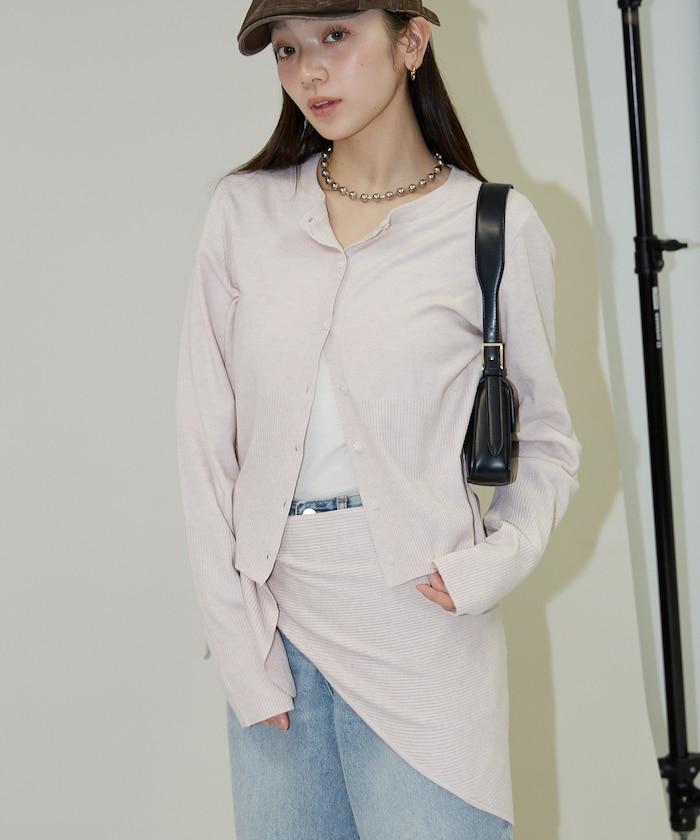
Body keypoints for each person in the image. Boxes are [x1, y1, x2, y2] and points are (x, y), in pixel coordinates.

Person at [175, 1, 582, 837]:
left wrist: (491, 565)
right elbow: (203, 444)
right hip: (276, 636)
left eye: (335, 35)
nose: (309, 71)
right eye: (286, 50)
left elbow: (548, 441)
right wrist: (239, 642)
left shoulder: (491, 226)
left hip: (423, 633)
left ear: (411, 41)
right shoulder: (242, 214)